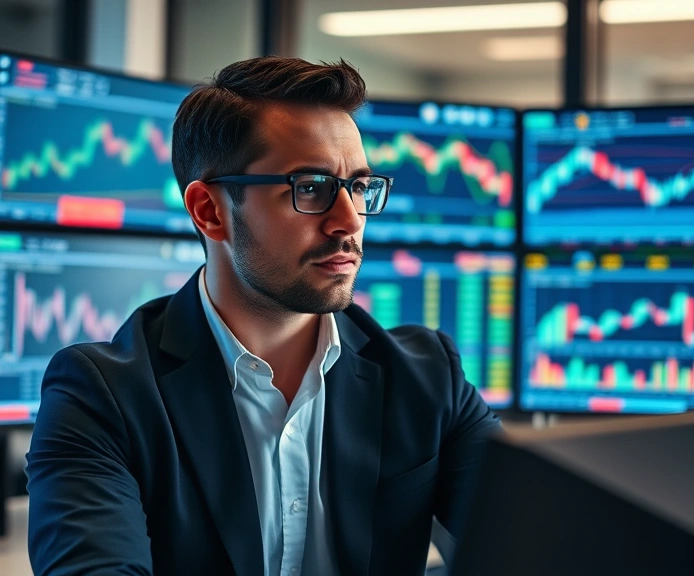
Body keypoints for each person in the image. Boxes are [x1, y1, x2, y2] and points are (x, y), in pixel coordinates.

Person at [26, 56, 501, 576]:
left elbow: (531, 545)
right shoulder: (100, 397)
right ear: (209, 211)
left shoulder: (429, 376)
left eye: (359, 188)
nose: (349, 223)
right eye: (311, 188)